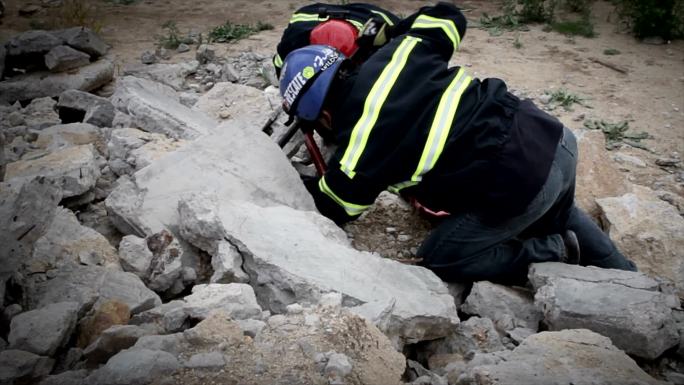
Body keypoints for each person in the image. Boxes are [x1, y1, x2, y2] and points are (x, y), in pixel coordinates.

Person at [278, 2, 637, 285]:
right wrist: (392, 36)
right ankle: (631, 280)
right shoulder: (403, 53)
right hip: (554, 138)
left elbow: (336, 206)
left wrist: (289, 182)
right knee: (556, 211)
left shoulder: (361, 146)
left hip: (522, 179)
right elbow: (446, 17)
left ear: (323, 115)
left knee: (443, 255)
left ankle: (555, 251)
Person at [273, 2, 401, 77]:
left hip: (369, 15)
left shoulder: (386, 38)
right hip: (312, 13)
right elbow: (281, 68)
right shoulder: (295, 39)